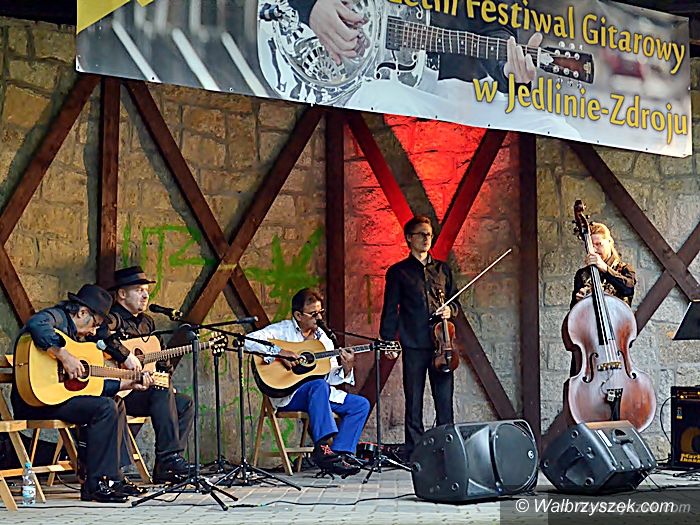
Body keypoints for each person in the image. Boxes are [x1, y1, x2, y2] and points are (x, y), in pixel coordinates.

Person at [10, 284, 153, 503]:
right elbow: (36, 323)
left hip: (60, 398)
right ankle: (96, 484)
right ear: (82, 312)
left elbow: (88, 386)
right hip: (36, 400)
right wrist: (64, 356)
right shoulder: (57, 317)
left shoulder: (80, 341)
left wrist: (127, 384)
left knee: (115, 402)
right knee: (105, 408)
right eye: (94, 324)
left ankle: (114, 478)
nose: (94, 332)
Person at [245, 288, 369, 476]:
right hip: (289, 394)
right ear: (298, 315)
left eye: (320, 312)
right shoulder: (282, 330)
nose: (319, 318)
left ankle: (340, 455)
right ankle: (323, 448)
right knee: (318, 386)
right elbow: (248, 340)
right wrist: (279, 351)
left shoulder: (324, 340)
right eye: (313, 314)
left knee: (360, 405)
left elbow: (328, 376)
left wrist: (346, 368)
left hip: (318, 396)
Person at [98, 266, 194, 483]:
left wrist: (165, 375)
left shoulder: (147, 322)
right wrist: (125, 356)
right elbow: (101, 335)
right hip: (118, 391)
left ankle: (166, 466)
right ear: (122, 294)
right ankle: (170, 458)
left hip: (142, 390)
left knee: (184, 403)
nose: (145, 295)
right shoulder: (111, 318)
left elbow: (159, 354)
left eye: (146, 291)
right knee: (160, 391)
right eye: (139, 290)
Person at [379, 215, 459, 460]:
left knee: (444, 400)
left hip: (442, 346)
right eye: (422, 234)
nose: (427, 239)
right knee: (413, 401)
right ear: (409, 238)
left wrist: (450, 310)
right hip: (414, 343)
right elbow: (391, 308)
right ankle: (415, 452)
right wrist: (388, 339)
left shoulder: (443, 270)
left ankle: (447, 449)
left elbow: (456, 302)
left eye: (429, 235)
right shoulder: (398, 272)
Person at [568, 222, 636, 376]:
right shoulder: (582, 275)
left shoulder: (624, 270)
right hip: (589, 342)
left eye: (599, 244)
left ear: (609, 242)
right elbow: (573, 314)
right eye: (592, 246)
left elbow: (628, 288)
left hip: (616, 342)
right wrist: (578, 302)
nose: (595, 249)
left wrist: (604, 269)